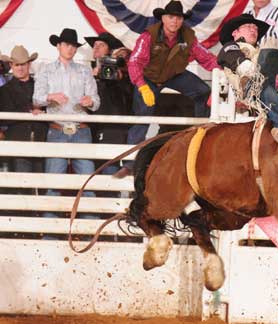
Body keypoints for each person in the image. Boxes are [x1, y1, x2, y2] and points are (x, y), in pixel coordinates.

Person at [116, 0, 220, 178]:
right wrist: (142, 86)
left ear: (182, 20)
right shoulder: (148, 36)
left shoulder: (189, 38)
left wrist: (223, 72)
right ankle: (130, 163)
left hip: (174, 75)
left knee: (203, 91)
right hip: (149, 78)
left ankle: (201, 129)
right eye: (171, 17)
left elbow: (207, 59)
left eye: (178, 18)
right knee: (142, 116)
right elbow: (134, 62)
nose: (175, 21)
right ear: (163, 18)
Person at [33, 28, 100, 219]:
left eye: (73, 46)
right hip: (57, 129)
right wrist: (50, 97)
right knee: (54, 184)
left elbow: (96, 100)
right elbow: (36, 99)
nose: (70, 49)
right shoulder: (46, 70)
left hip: (81, 129)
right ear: (59, 46)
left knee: (87, 185)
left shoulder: (84, 71)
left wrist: (90, 102)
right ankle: (50, 233)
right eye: (67, 45)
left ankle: (90, 231)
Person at [217, 14, 278, 151]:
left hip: (270, 84)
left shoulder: (260, 50)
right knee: (261, 82)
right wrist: (243, 64)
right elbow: (229, 55)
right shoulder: (232, 47)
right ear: (235, 32)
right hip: (251, 91)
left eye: (256, 28)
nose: (253, 29)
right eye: (248, 26)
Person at [84, 32, 132, 177]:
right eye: (95, 45)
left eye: (101, 45)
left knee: (109, 167)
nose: (96, 48)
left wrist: (118, 75)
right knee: (92, 168)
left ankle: (112, 197)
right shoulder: (86, 72)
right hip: (91, 127)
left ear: (109, 51)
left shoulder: (121, 70)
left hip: (113, 126)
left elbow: (128, 94)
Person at [0, 45, 47, 181]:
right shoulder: (4, 90)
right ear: (11, 65)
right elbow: (4, 117)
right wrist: (30, 110)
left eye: (23, 64)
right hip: (18, 141)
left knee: (42, 182)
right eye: (17, 64)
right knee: (22, 183)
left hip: (42, 140)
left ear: (29, 64)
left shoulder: (40, 86)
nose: (20, 68)